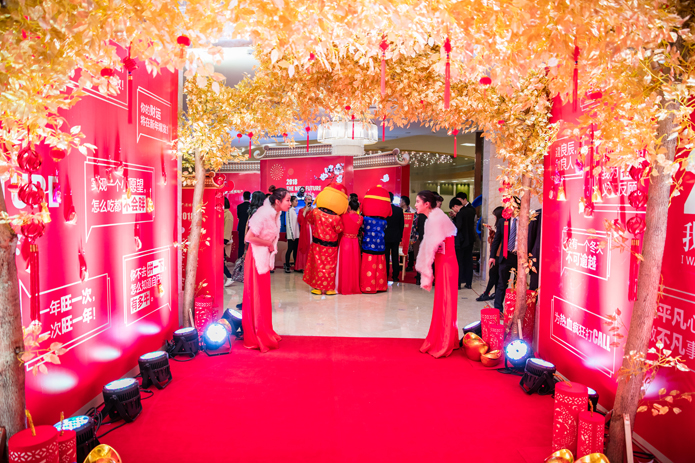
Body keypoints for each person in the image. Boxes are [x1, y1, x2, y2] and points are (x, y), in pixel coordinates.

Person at [242, 185, 291, 352]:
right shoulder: (263, 214)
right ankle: (256, 334)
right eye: (287, 200)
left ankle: (265, 330)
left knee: (263, 297)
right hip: (256, 258)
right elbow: (249, 237)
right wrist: (268, 244)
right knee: (256, 296)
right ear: (277, 201)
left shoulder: (276, 214)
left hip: (263, 257)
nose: (290, 203)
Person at [415, 190, 459, 358]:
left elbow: (429, 247)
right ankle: (446, 338)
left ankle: (444, 342)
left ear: (426, 204)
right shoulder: (435, 217)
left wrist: (425, 271)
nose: (415, 204)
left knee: (445, 303)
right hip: (444, 263)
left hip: (447, 265)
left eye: (418, 201)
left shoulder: (435, 218)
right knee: (443, 303)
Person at [304, 183, 348, 295]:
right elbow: (339, 230)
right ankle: (329, 288)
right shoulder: (336, 218)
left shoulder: (316, 212)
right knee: (330, 266)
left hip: (317, 244)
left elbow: (309, 219)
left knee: (317, 265)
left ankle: (317, 288)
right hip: (331, 246)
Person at [360, 185, 392, 293]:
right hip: (380, 245)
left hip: (368, 245)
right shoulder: (384, 222)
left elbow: (361, 227)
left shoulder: (366, 219)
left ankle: (368, 286)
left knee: (369, 266)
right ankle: (380, 286)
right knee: (379, 266)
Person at [231, 191, 266, 283]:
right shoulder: (259, 211)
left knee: (244, 250)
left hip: (246, 233)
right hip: (257, 239)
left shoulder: (247, 209)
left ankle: (248, 272)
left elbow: (245, 222)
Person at [489, 208, 519, 312]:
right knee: (501, 283)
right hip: (505, 256)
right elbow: (497, 240)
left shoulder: (525, 221)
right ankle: (498, 309)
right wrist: (492, 256)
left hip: (519, 257)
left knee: (517, 285)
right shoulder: (503, 221)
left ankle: (514, 310)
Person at [477, 206, 504, 301]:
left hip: (498, 255)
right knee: (495, 276)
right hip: (497, 254)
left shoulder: (504, 225)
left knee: (493, 275)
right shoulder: (501, 225)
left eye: (495, 215)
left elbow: (497, 240)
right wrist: (491, 231)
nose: (494, 217)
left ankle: (487, 293)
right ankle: (494, 294)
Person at [337, 199, 363, 294]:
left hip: (345, 241)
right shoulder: (360, 218)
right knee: (354, 264)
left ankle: (343, 286)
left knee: (344, 264)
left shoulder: (343, 216)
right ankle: (353, 286)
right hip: (355, 241)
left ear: (349, 207)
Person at [455, 193, 476, 290]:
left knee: (460, 262)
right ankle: (468, 283)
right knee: (468, 261)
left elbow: (459, 227)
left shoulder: (461, 212)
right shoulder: (471, 210)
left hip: (462, 241)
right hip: (470, 240)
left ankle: (458, 283)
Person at [385, 191, 404, 281]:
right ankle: (395, 276)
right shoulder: (399, 210)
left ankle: (385, 274)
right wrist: (400, 236)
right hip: (396, 236)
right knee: (395, 256)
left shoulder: (384, 210)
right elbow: (401, 225)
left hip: (385, 236)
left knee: (386, 256)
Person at [295, 193, 313, 272]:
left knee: (311, 246)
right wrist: (305, 210)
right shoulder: (301, 210)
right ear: (305, 201)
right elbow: (300, 221)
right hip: (304, 230)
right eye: (308, 199)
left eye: (310, 200)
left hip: (312, 229)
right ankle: (303, 266)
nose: (310, 201)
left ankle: (311, 266)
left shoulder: (313, 210)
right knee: (304, 246)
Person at [284, 195, 300, 273]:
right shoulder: (289, 211)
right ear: (292, 202)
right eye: (296, 201)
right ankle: (287, 266)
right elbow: (289, 224)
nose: (297, 202)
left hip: (296, 235)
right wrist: (292, 235)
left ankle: (296, 266)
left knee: (295, 251)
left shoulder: (293, 210)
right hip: (291, 236)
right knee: (290, 250)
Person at [236, 191, 251, 258]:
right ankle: (248, 258)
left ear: (243, 197)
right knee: (249, 244)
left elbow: (238, 216)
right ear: (250, 197)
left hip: (241, 226)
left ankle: (240, 258)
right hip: (249, 227)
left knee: (241, 244)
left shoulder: (239, 206)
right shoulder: (251, 207)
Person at [223, 197, 234, 287]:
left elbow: (228, 229)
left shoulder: (228, 214)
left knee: (220, 262)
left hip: (223, 242)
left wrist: (224, 242)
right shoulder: (222, 213)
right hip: (219, 242)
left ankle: (229, 277)